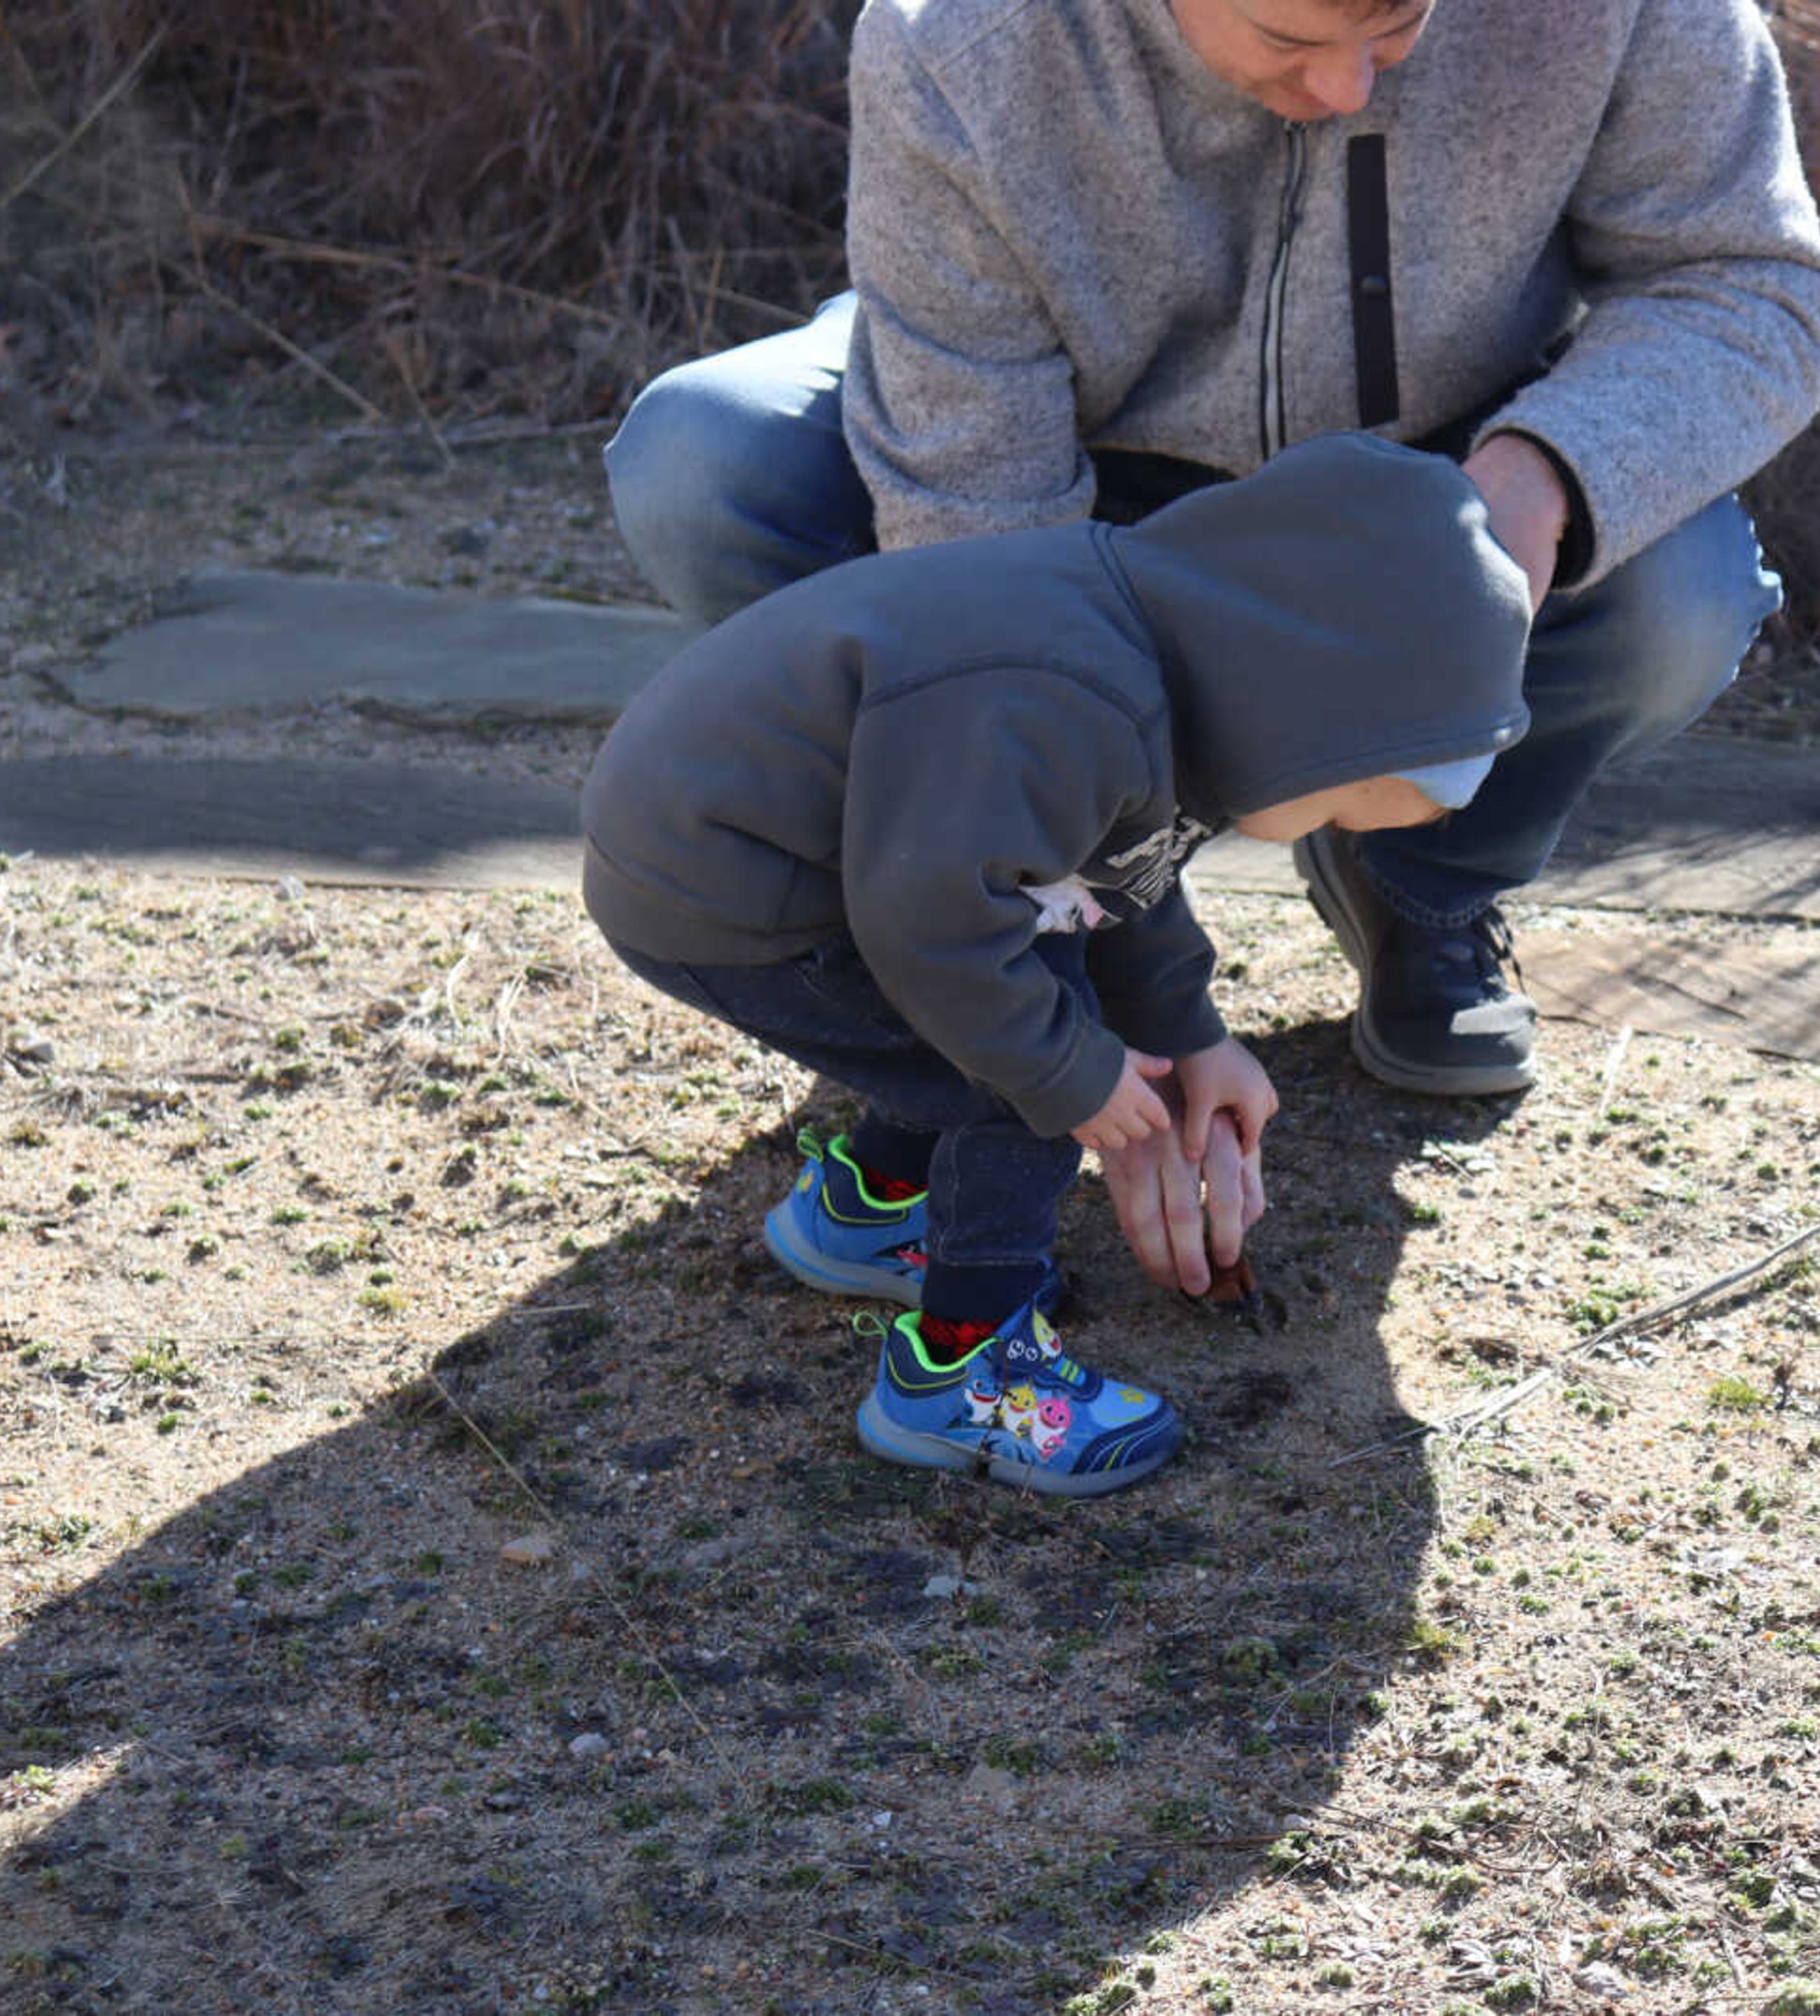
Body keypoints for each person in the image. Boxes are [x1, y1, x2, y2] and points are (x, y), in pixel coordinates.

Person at [603, 0, 1820, 1104]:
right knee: (707, 465)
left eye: (1404, 23)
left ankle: (1422, 882)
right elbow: (978, 538)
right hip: (1076, 462)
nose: (1351, 89)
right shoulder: (961, 39)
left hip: (1447, 459)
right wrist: (1132, 999)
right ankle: (960, 908)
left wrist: (1528, 497)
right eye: (1294, 38)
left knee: (1679, 599)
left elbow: (1754, 282)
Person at [580, 431, 1533, 1493]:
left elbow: (1111, 877)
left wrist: (1187, 1032)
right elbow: (930, 922)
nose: (1339, 829)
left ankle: (868, 1207)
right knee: (1021, 1075)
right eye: (1349, 803)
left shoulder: (1161, 661)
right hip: (722, 880)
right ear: (1311, 699)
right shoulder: (1070, 696)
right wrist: (1070, 1075)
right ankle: (961, 1378)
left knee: (1036, 1019)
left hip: (814, 861)